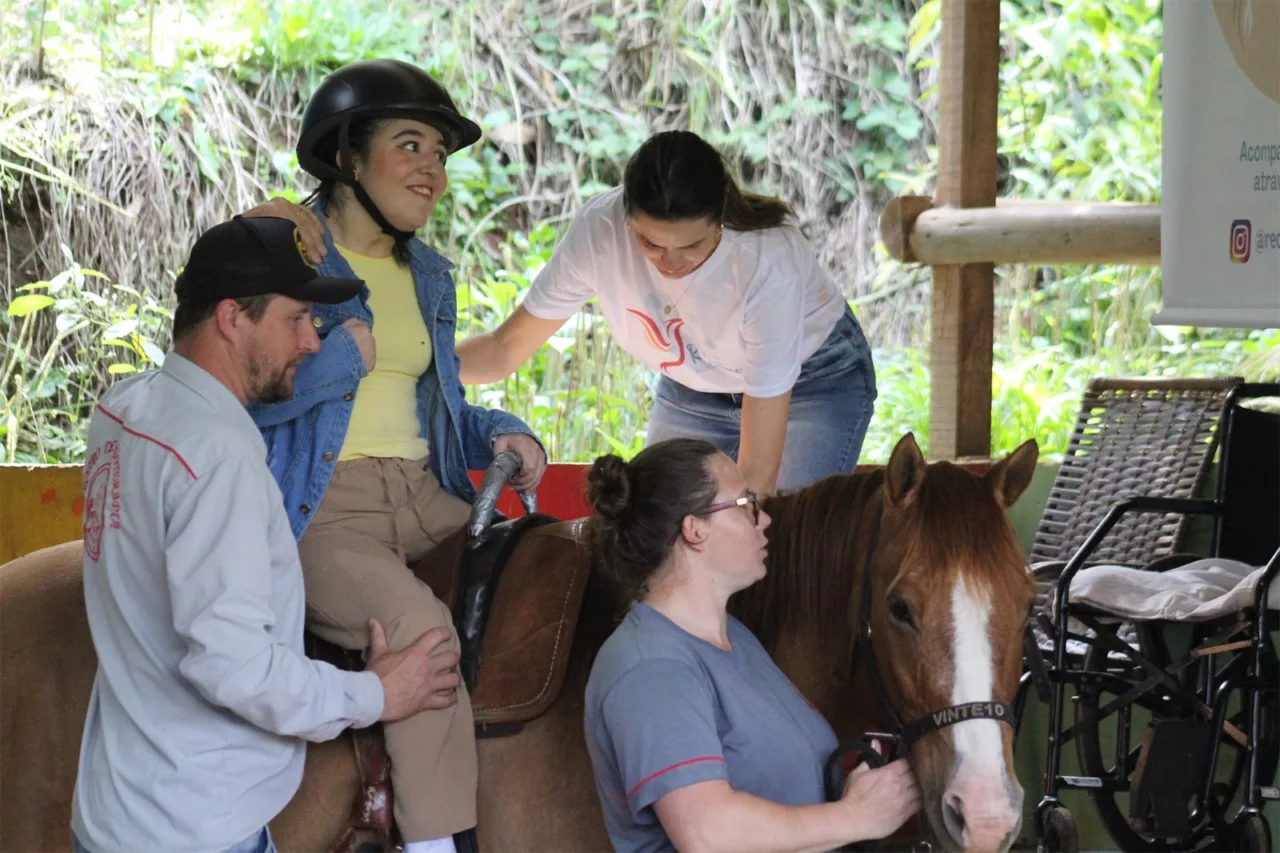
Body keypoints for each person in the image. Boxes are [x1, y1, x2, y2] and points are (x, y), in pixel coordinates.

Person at [71, 216, 461, 853]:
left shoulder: (124, 410)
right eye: (297, 319)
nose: (312, 342)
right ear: (232, 317)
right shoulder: (218, 456)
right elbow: (236, 669)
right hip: (198, 829)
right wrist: (376, 693)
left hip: (118, 810)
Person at [240, 59, 547, 853]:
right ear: (345, 157)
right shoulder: (286, 254)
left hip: (422, 491)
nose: (432, 169)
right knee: (424, 633)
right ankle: (435, 845)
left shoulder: (430, 275)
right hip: (322, 508)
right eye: (409, 145)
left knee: (548, 568)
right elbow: (241, 389)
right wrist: (346, 356)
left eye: (440, 154)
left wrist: (501, 429)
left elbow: (437, 400)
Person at [455, 130, 877, 495]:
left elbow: (756, 479)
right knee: (654, 529)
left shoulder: (766, 258)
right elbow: (503, 350)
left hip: (813, 382)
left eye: (691, 247)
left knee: (783, 535)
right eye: (651, 244)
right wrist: (416, 367)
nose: (670, 264)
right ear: (627, 217)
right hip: (693, 385)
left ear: (720, 220)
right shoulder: (600, 231)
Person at [583, 438, 921, 852]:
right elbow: (708, 835)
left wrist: (852, 791)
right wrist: (854, 817)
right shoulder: (651, 668)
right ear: (695, 529)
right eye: (745, 505)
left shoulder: (734, 638)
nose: (764, 521)